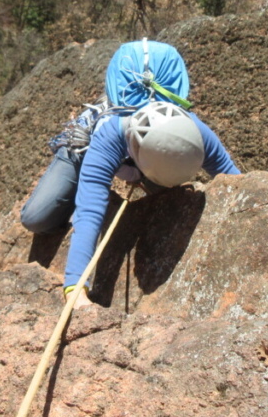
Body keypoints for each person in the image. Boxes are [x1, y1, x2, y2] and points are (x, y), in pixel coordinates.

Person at [20, 39, 240, 307]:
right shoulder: (110, 135)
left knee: (166, 193)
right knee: (36, 218)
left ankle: (146, 171)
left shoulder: (193, 131)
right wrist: (75, 285)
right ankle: (81, 156)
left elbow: (236, 181)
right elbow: (90, 210)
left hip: (142, 156)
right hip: (86, 147)